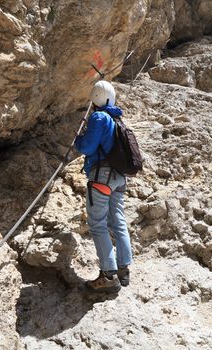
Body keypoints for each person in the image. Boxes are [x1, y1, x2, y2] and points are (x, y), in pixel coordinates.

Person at [74, 80, 132, 293]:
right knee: (118, 221)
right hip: (119, 178)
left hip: (102, 177)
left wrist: (78, 139)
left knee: (98, 225)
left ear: (94, 98)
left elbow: (87, 147)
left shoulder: (99, 117)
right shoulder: (117, 118)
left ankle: (108, 276)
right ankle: (123, 269)